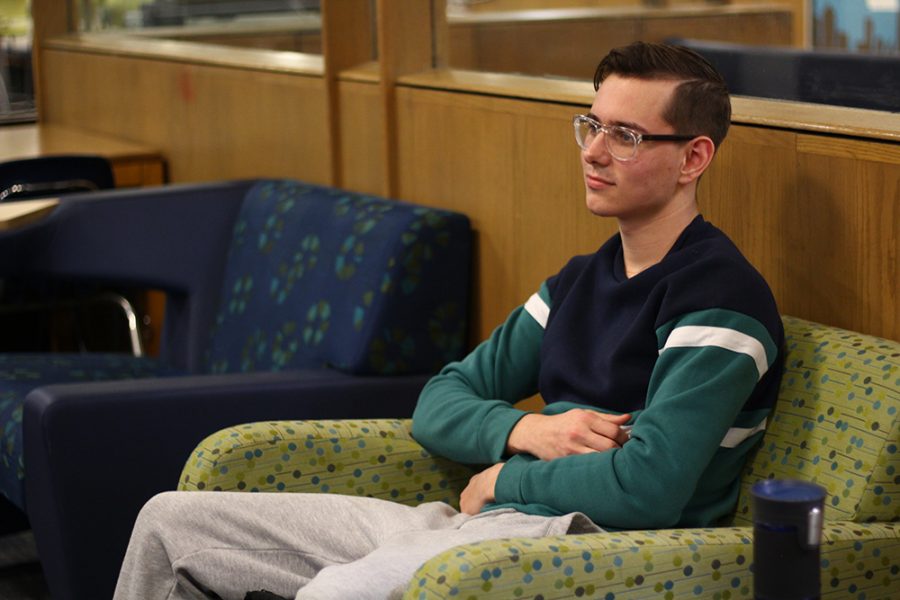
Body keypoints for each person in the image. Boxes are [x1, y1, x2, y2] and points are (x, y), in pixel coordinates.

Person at [113, 41, 783, 600]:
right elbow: (440, 400)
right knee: (171, 524)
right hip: (479, 520)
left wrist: (504, 476)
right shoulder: (579, 279)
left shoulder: (718, 299)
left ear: (693, 157)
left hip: (583, 544)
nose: (594, 151)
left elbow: (648, 489)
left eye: (627, 136)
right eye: (592, 125)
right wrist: (529, 429)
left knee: (336, 593)